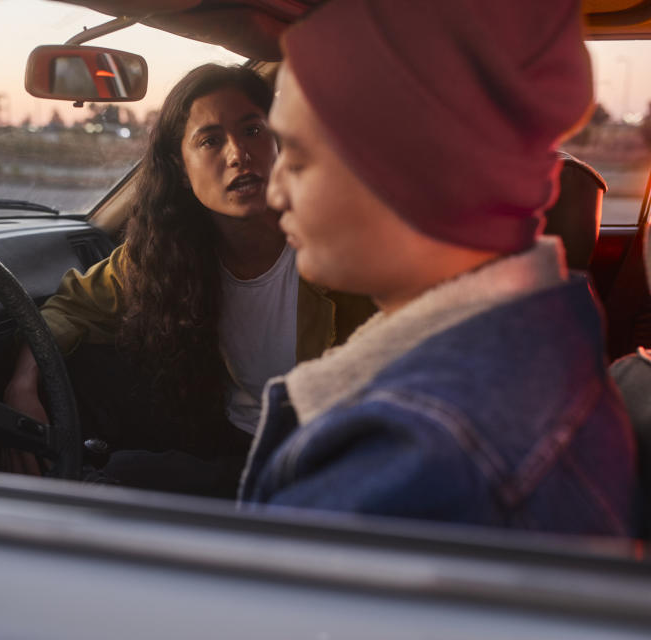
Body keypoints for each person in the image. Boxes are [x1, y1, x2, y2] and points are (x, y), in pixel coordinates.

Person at [239, 0, 640, 536]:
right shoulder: (547, 340)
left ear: (407, 172)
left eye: (297, 158)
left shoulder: (406, 463)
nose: (273, 191)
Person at [5, 64, 375, 496]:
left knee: (121, 478)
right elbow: (71, 308)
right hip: (229, 443)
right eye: (210, 140)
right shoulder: (166, 256)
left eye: (253, 130)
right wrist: (21, 384)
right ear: (181, 168)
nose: (238, 154)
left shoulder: (342, 247)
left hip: (324, 459)